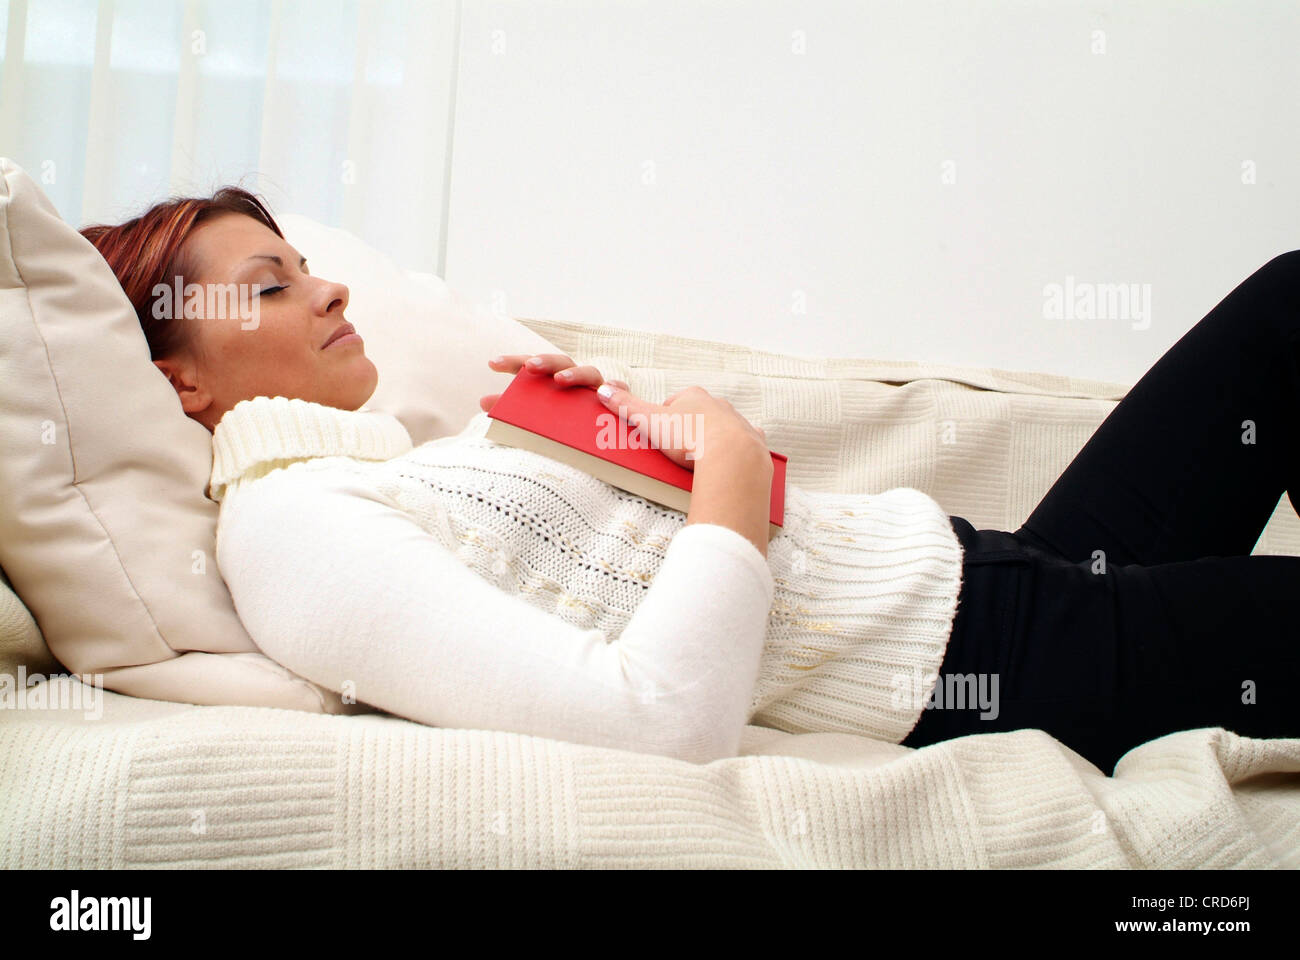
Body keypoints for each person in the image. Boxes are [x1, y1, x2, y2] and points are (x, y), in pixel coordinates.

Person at [81, 188, 1300, 772]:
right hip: (995, 662)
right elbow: (659, 719)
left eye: (307, 264)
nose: (329, 289)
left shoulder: (406, 458)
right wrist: (717, 459)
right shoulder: (291, 532)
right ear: (180, 381)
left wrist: (623, 442)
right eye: (270, 285)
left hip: (983, 567)